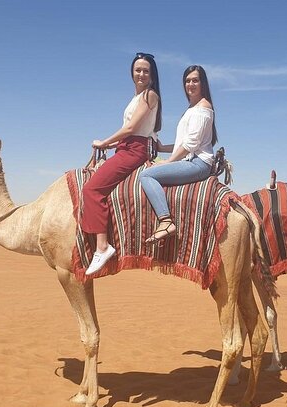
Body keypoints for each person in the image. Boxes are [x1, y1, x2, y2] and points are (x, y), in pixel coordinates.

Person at [82, 52, 162, 275]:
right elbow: (143, 132)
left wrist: (104, 142)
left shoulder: (149, 96)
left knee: (92, 189)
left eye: (146, 70)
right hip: (127, 147)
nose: (141, 74)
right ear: (132, 73)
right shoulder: (136, 99)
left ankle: (102, 246)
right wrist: (111, 146)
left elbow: (130, 129)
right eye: (138, 70)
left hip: (133, 150)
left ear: (152, 75)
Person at [138, 65, 217, 245]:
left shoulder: (203, 107)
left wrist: (167, 162)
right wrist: (161, 148)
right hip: (191, 159)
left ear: (203, 83)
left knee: (146, 175)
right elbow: (185, 143)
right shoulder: (192, 107)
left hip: (198, 164)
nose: (191, 84)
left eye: (195, 80)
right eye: (187, 81)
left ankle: (165, 221)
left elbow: (191, 144)